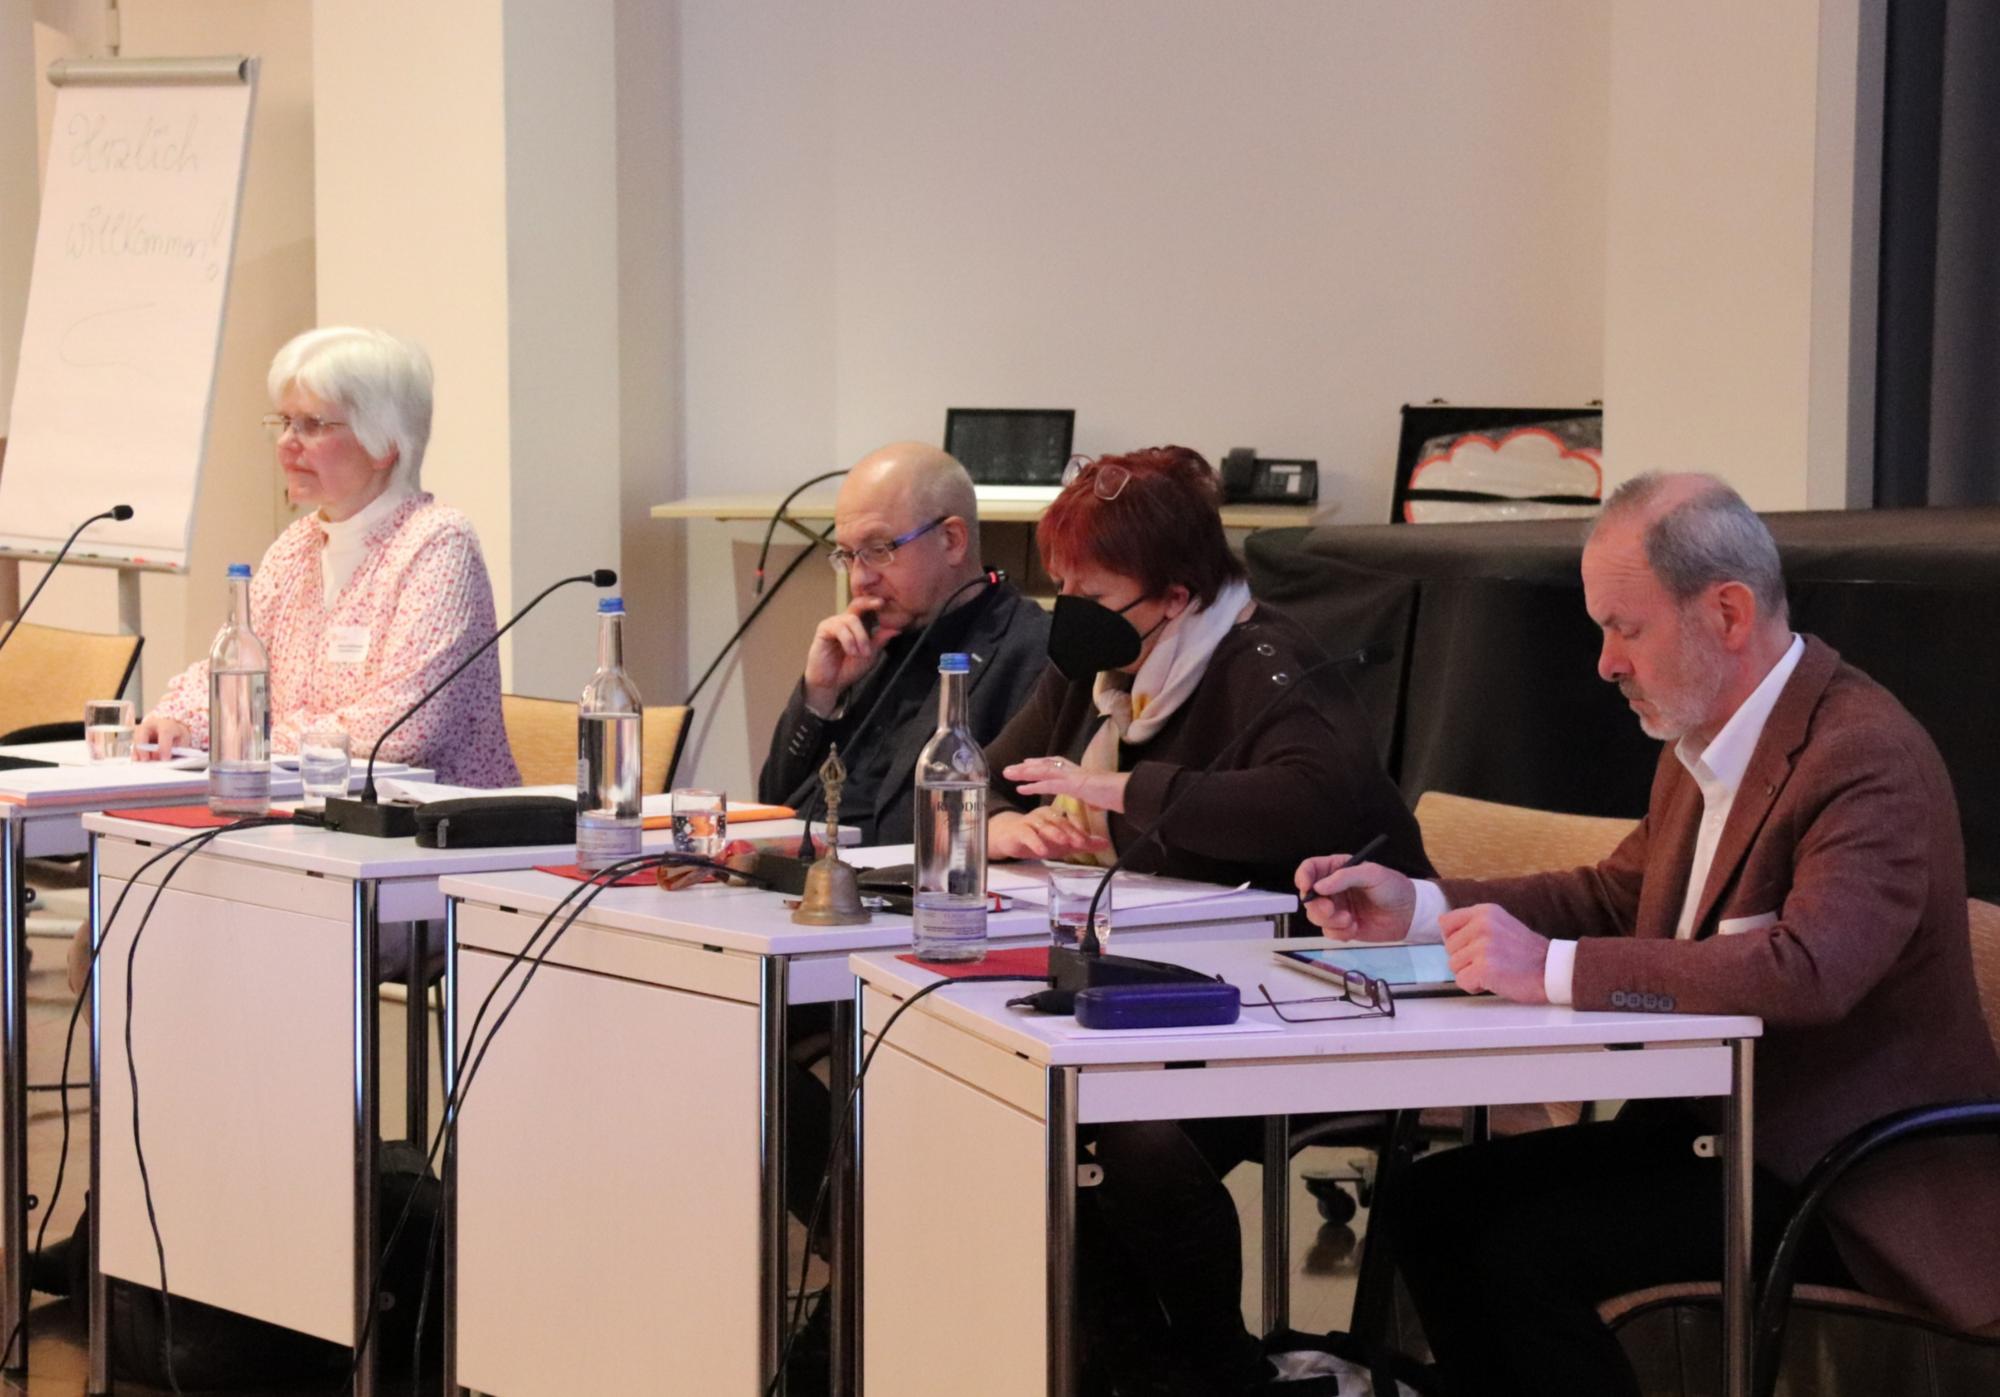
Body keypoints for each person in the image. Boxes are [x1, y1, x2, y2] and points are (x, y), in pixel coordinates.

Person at [1298, 473, 2000, 1396]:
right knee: (1430, 1205)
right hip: (1720, 1127)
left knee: (1519, 1251)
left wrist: (1549, 968)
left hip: (1844, 1172)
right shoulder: (1704, 741)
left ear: (1728, 613)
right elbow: (1613, 893)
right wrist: (1422, 907)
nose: (1604, 662)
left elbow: (1811, 969)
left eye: (1624, 627)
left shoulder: (1864, 754)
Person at [984, 445, 1431, 1396]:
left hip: (1325, 993)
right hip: (1169, 987)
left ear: (1176, 597)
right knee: (1037, 1121)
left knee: (1123, 1138)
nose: (1071, 612)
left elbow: (1310, 801)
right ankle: (1149, 1372)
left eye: (1090, 591)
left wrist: (1121, 788)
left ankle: (1218, 1372)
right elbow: (978, 774)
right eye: (1058, 585)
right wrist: (1004, 822)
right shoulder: (1097, 659)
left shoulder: (1267, 661)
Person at [134, 326, 519, 788]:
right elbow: (233, 665)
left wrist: (250, 734)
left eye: (312, 425)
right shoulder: (298, 544)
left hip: (429, 835)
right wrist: (179, 718)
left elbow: (400, 729)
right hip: (311, 812)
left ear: (385, 446)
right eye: (284, 422)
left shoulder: (437, 543)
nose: (285, 443)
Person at [758, 442, 1048, 842]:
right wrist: (819, 696)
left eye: (878, 550)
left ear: (951, 540)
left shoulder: (1031, 649)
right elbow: (776, 806)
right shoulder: (866, 641)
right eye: (847, 554)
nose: (860, 579)